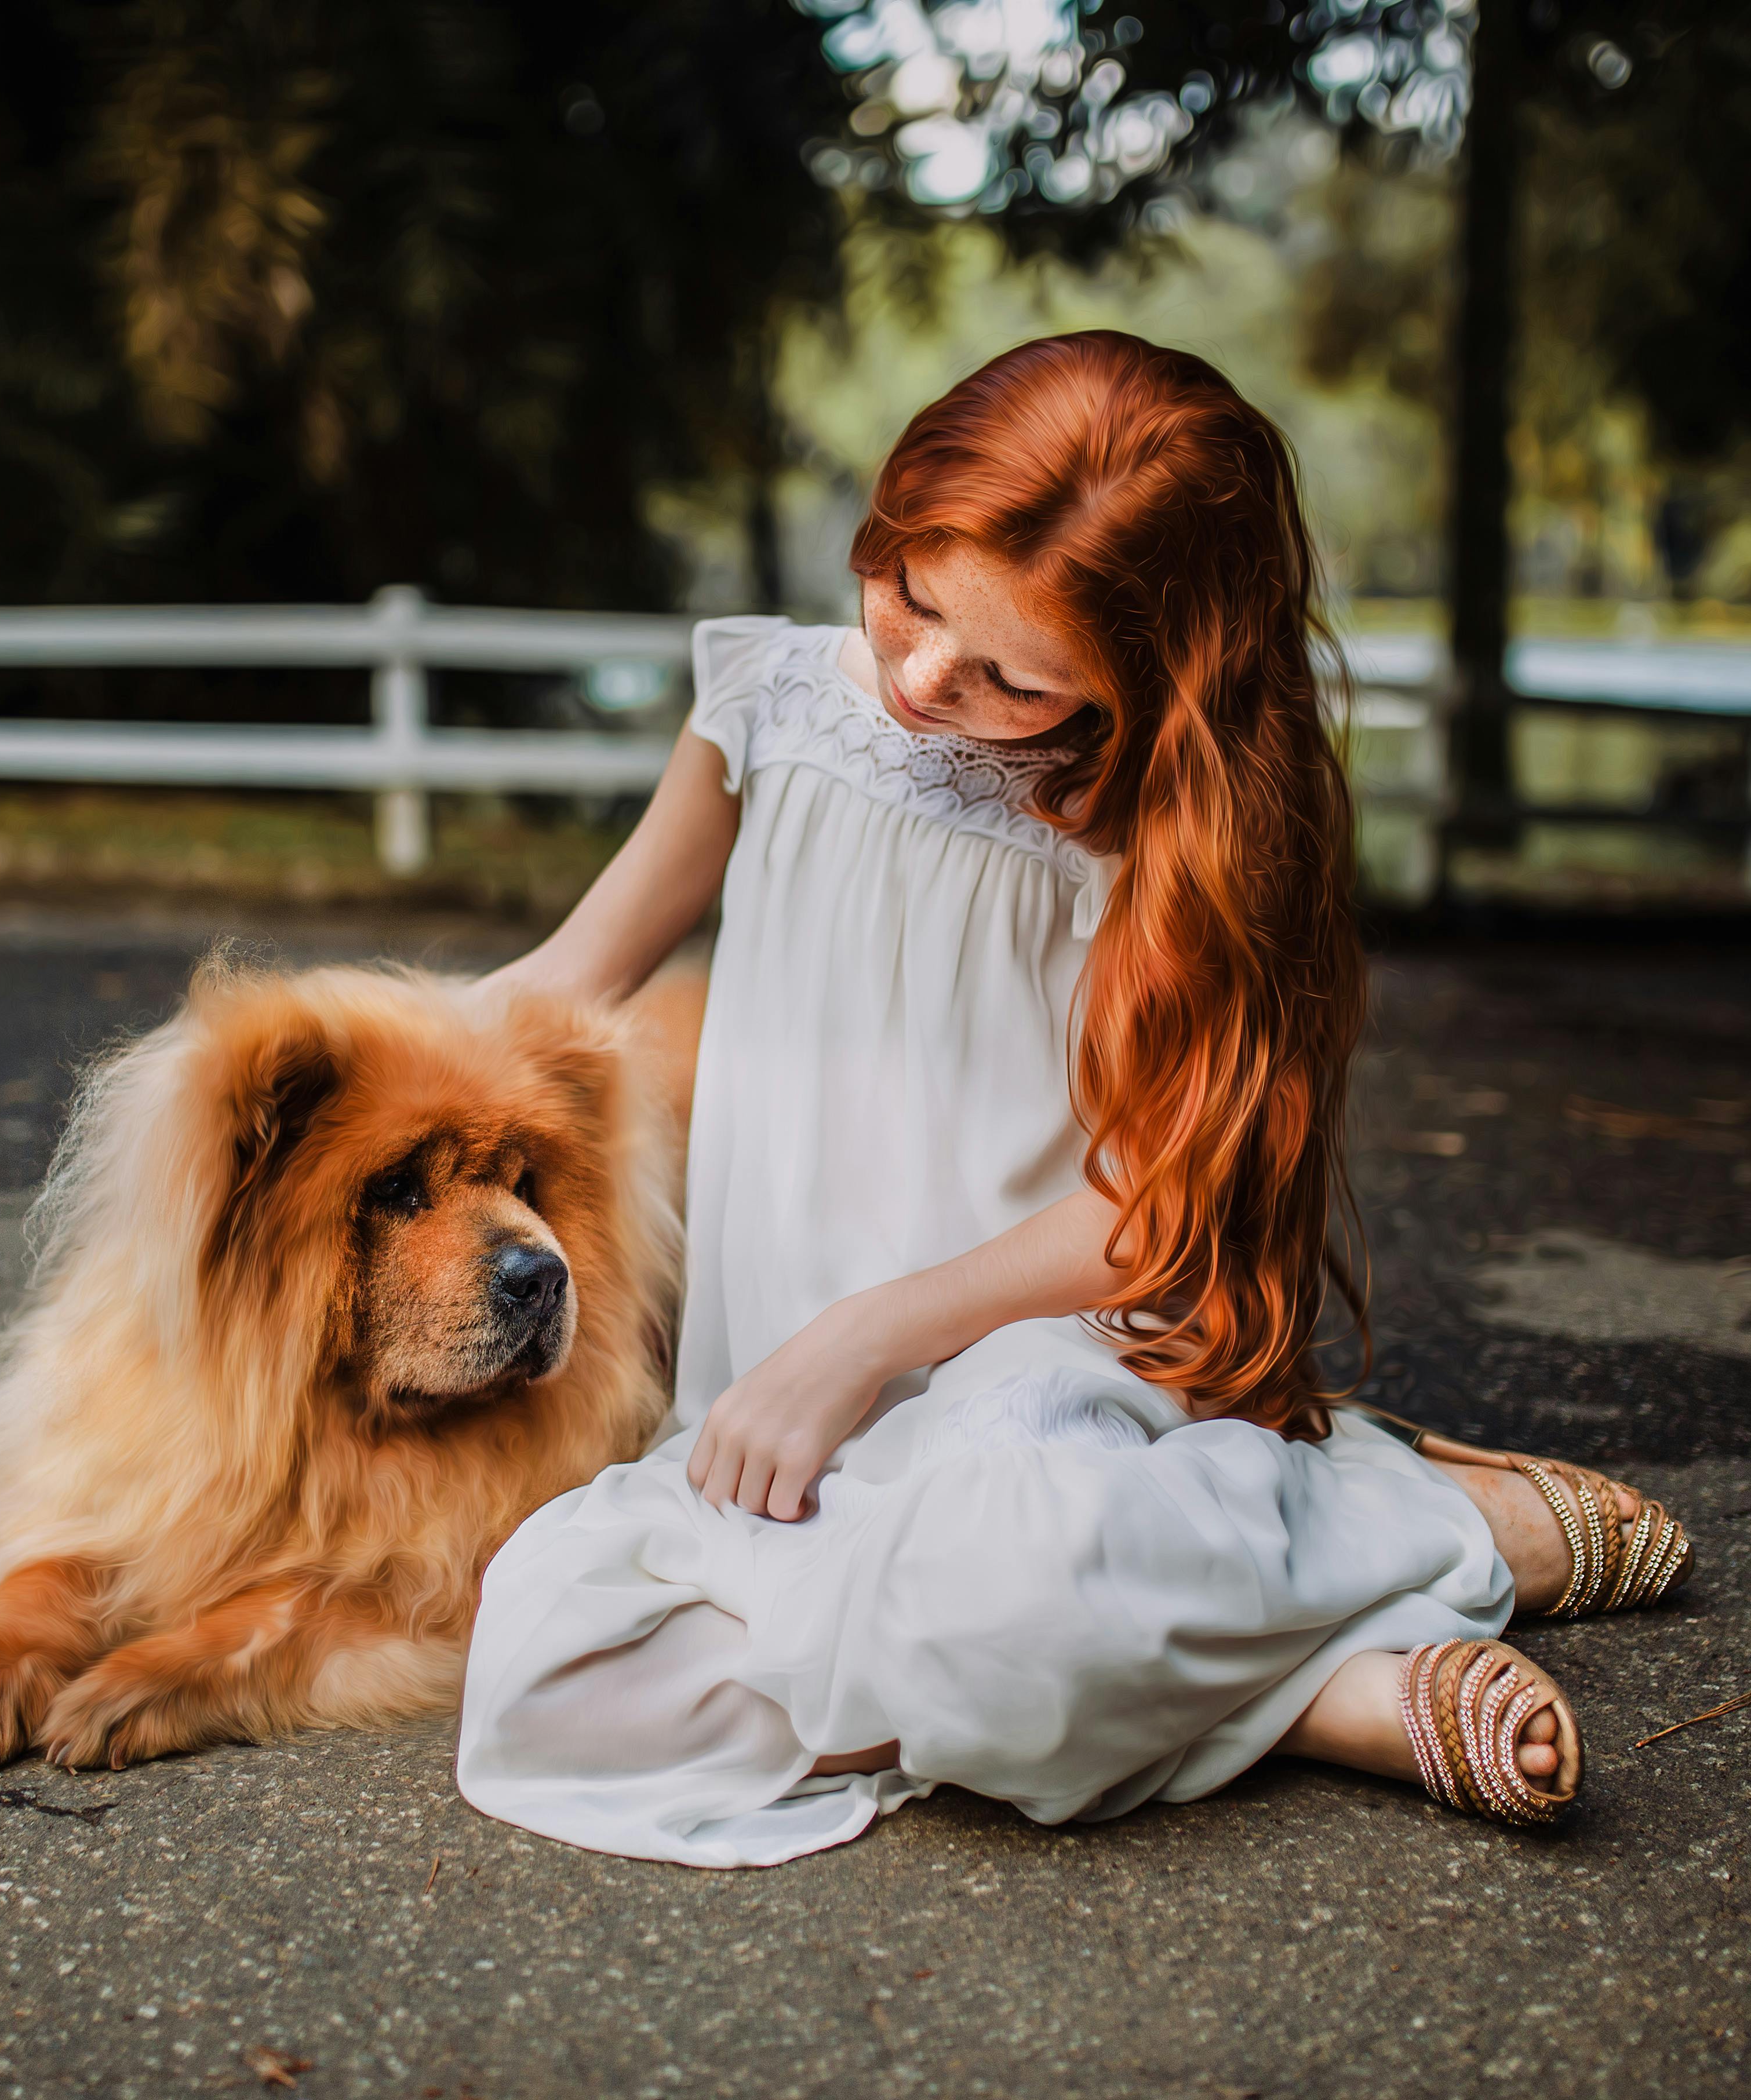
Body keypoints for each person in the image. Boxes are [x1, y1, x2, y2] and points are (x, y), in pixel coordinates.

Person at [460, 332, 1687, 1868]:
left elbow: (1160, 1205)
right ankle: (1279, 1670)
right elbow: (570, 977)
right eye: (906, 594)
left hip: (1023, 1374)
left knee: (1003, 1584)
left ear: (1148, 681)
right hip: (776, 1413)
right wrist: (335, 1057)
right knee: (544, 1675)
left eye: (1010, 677)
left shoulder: (1170, 828)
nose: (919, 679)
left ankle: (1384, 1571)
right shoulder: (770, 702)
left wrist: (869, 1333)